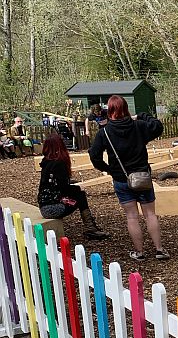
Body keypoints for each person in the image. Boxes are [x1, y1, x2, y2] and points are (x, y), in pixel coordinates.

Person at [89, 94, 169, 261]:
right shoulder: (138, 126)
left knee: (132, 216)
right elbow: (157, 126)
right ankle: (159, 250)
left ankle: (139, 253)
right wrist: (141, 115)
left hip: (121, 180)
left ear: (109, 111)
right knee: (150, 215)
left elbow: (94, 156)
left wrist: (109, 169)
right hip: (143, 177)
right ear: (126, 109)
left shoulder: (105, 133)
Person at [37, 133, 108, 239]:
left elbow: (54, 185)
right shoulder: (59, 163)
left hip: (44, 206)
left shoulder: (46, 163)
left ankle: (91, 227)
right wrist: (77, 188)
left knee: (78, 193)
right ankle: (90, 228)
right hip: (54, 208)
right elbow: (63, 188)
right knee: (80, 196)